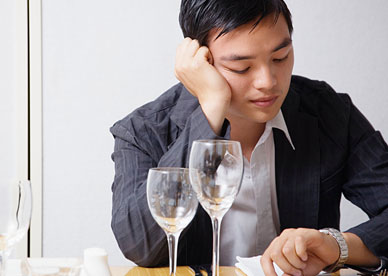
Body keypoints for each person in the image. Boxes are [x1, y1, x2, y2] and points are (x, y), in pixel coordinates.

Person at [110, 0, 388, 275]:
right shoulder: (144, 130)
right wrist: (210, 111)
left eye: (280, 58)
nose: (268, 81)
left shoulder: (329, 113)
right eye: (241, 67)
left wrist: (337, 245)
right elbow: (139, 245)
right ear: (201, 62)